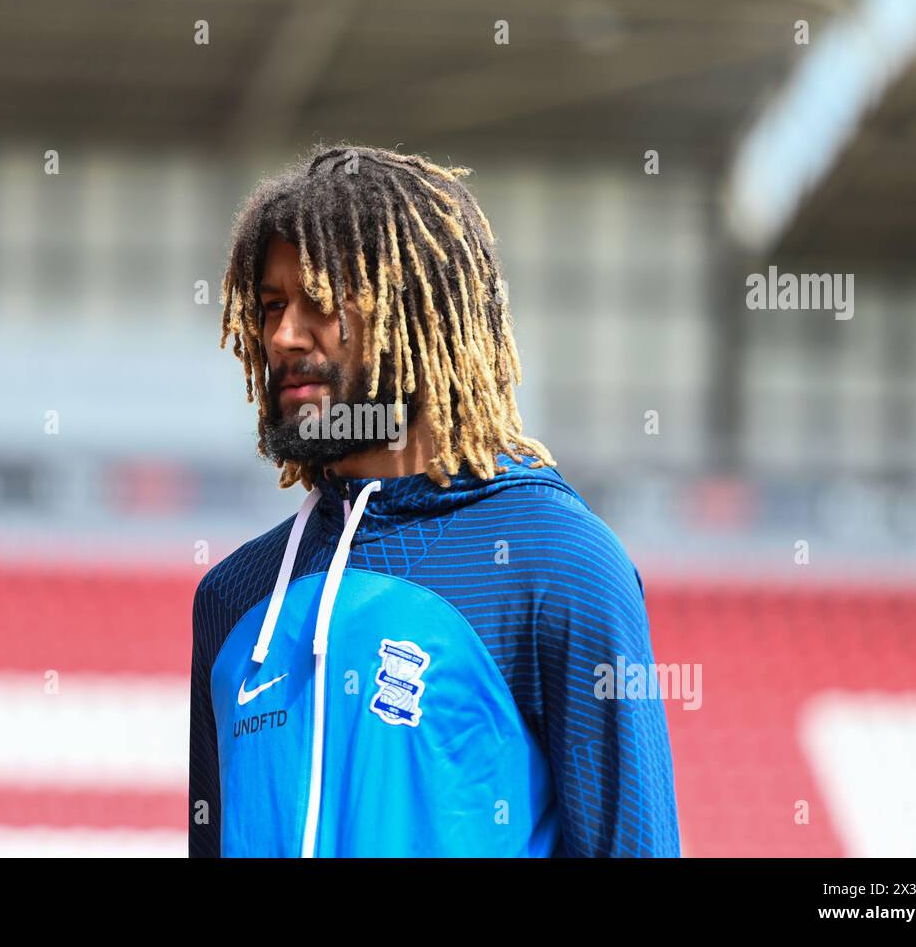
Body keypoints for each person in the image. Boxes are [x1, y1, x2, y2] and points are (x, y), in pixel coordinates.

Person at [188, 144, 681, 857]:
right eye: (270, 306)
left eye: (320, 302)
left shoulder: (560, 564)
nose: (283, 336)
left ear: (411, 310)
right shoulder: (232, 599)